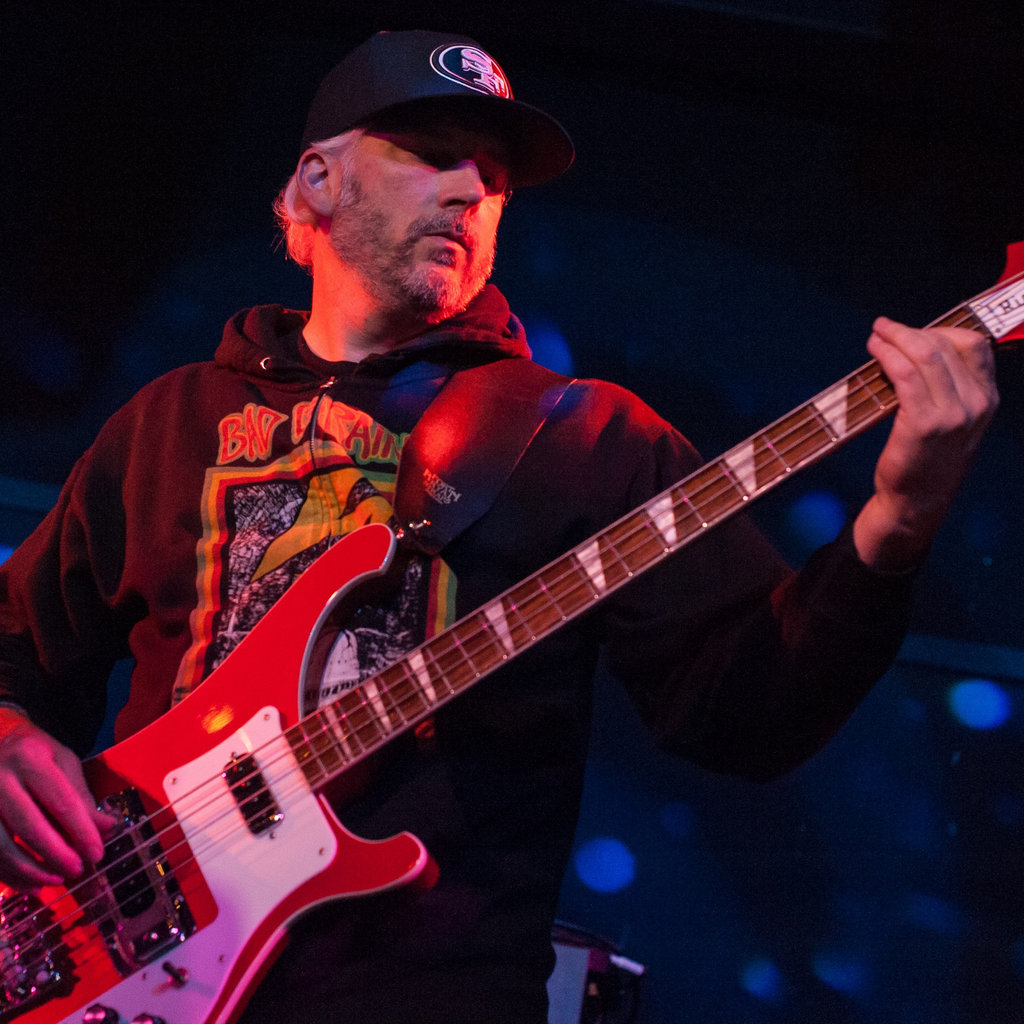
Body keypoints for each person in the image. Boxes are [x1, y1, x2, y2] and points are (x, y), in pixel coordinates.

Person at [0, 28, 998, 1024]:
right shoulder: (171, 420)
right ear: (316, 181)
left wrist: (897, 523)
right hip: (121, 967)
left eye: (494, 177)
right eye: (434, 153)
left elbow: (747, 710)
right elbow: (17, 648)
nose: (470, 190)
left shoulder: (587, 439)